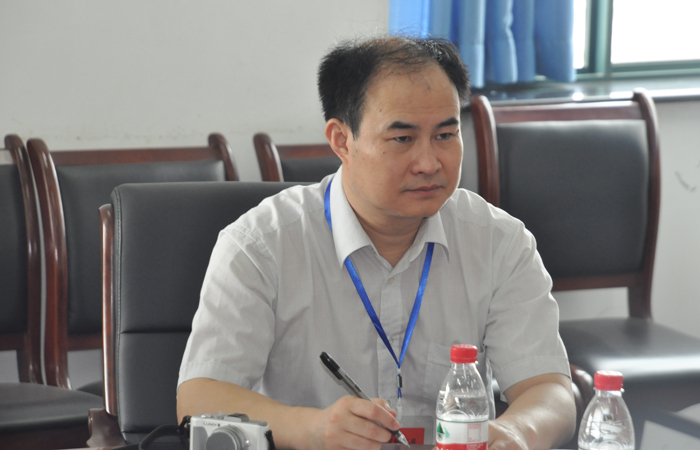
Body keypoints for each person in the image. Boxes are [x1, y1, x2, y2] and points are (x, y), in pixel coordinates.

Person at [177, 36, 575, 450]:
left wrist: (517, 431)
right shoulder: (261, 246)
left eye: (445, 135)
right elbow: (199, 399)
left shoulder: (498, 241)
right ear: (341, 140)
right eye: (402, 139)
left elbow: (550, 391)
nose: (429, 163)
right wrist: (313, 429)